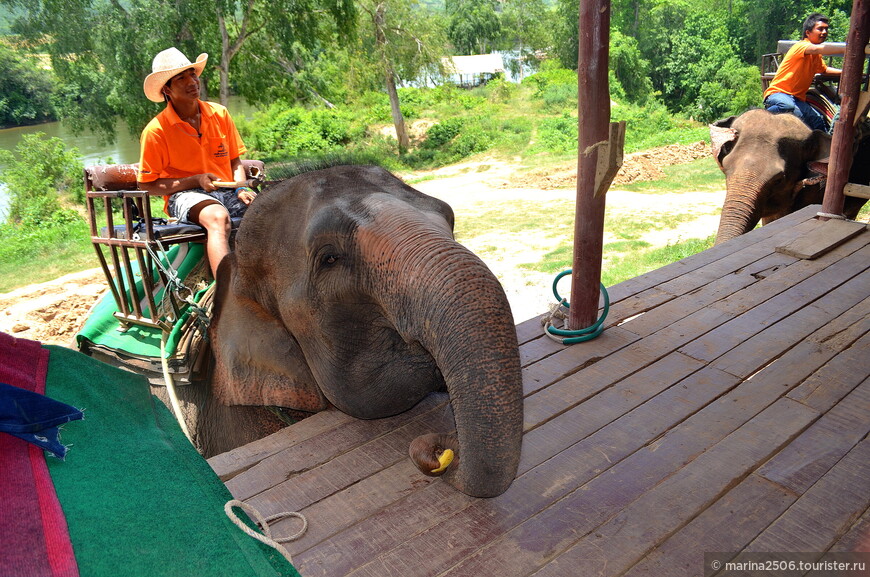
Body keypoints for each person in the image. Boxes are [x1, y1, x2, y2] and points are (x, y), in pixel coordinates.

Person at [137, 47, 257, 277]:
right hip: (184, 196)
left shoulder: (219, 114)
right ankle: (227, 290)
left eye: (192, 74)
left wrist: (241, 187)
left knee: (268, 211)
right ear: (167, 90)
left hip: (227, 190)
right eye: (180, 78)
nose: (191, 81)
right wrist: (194, 180)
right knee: (217, 217)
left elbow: (234, 160)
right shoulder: (156, 131)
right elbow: (147, 185)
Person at [762, 13, 846, 132]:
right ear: (808, 32)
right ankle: (759, 118)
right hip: (779, 94)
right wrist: (848, 48)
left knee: (818, 121)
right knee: (788, 107)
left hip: (797, 99)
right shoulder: (801, 46)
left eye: (826, 29)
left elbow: (824, 70)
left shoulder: (816, 55)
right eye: (820, 29)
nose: (824, 32)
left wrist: (845, 72)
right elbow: (818, 48)